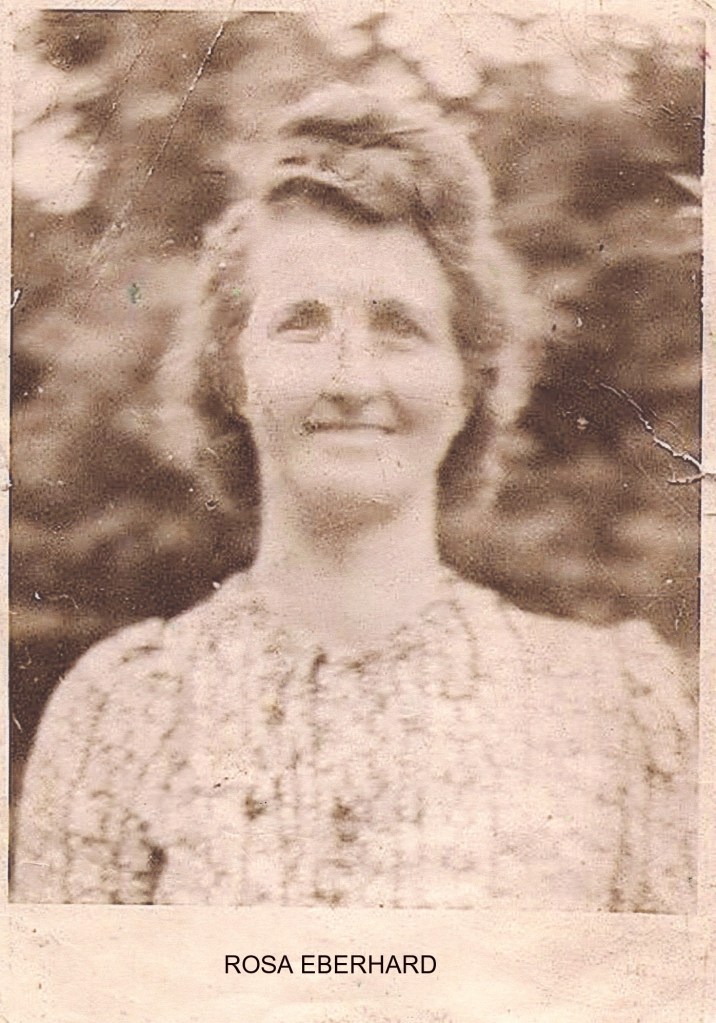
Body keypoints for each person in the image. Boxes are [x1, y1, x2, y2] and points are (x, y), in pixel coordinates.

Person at [11, 84, 696, 910]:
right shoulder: (121, 711)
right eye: (301, 322)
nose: (351, 378)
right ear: (233, 374)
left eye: (400, 327)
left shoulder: (612, 707)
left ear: (468, 384)